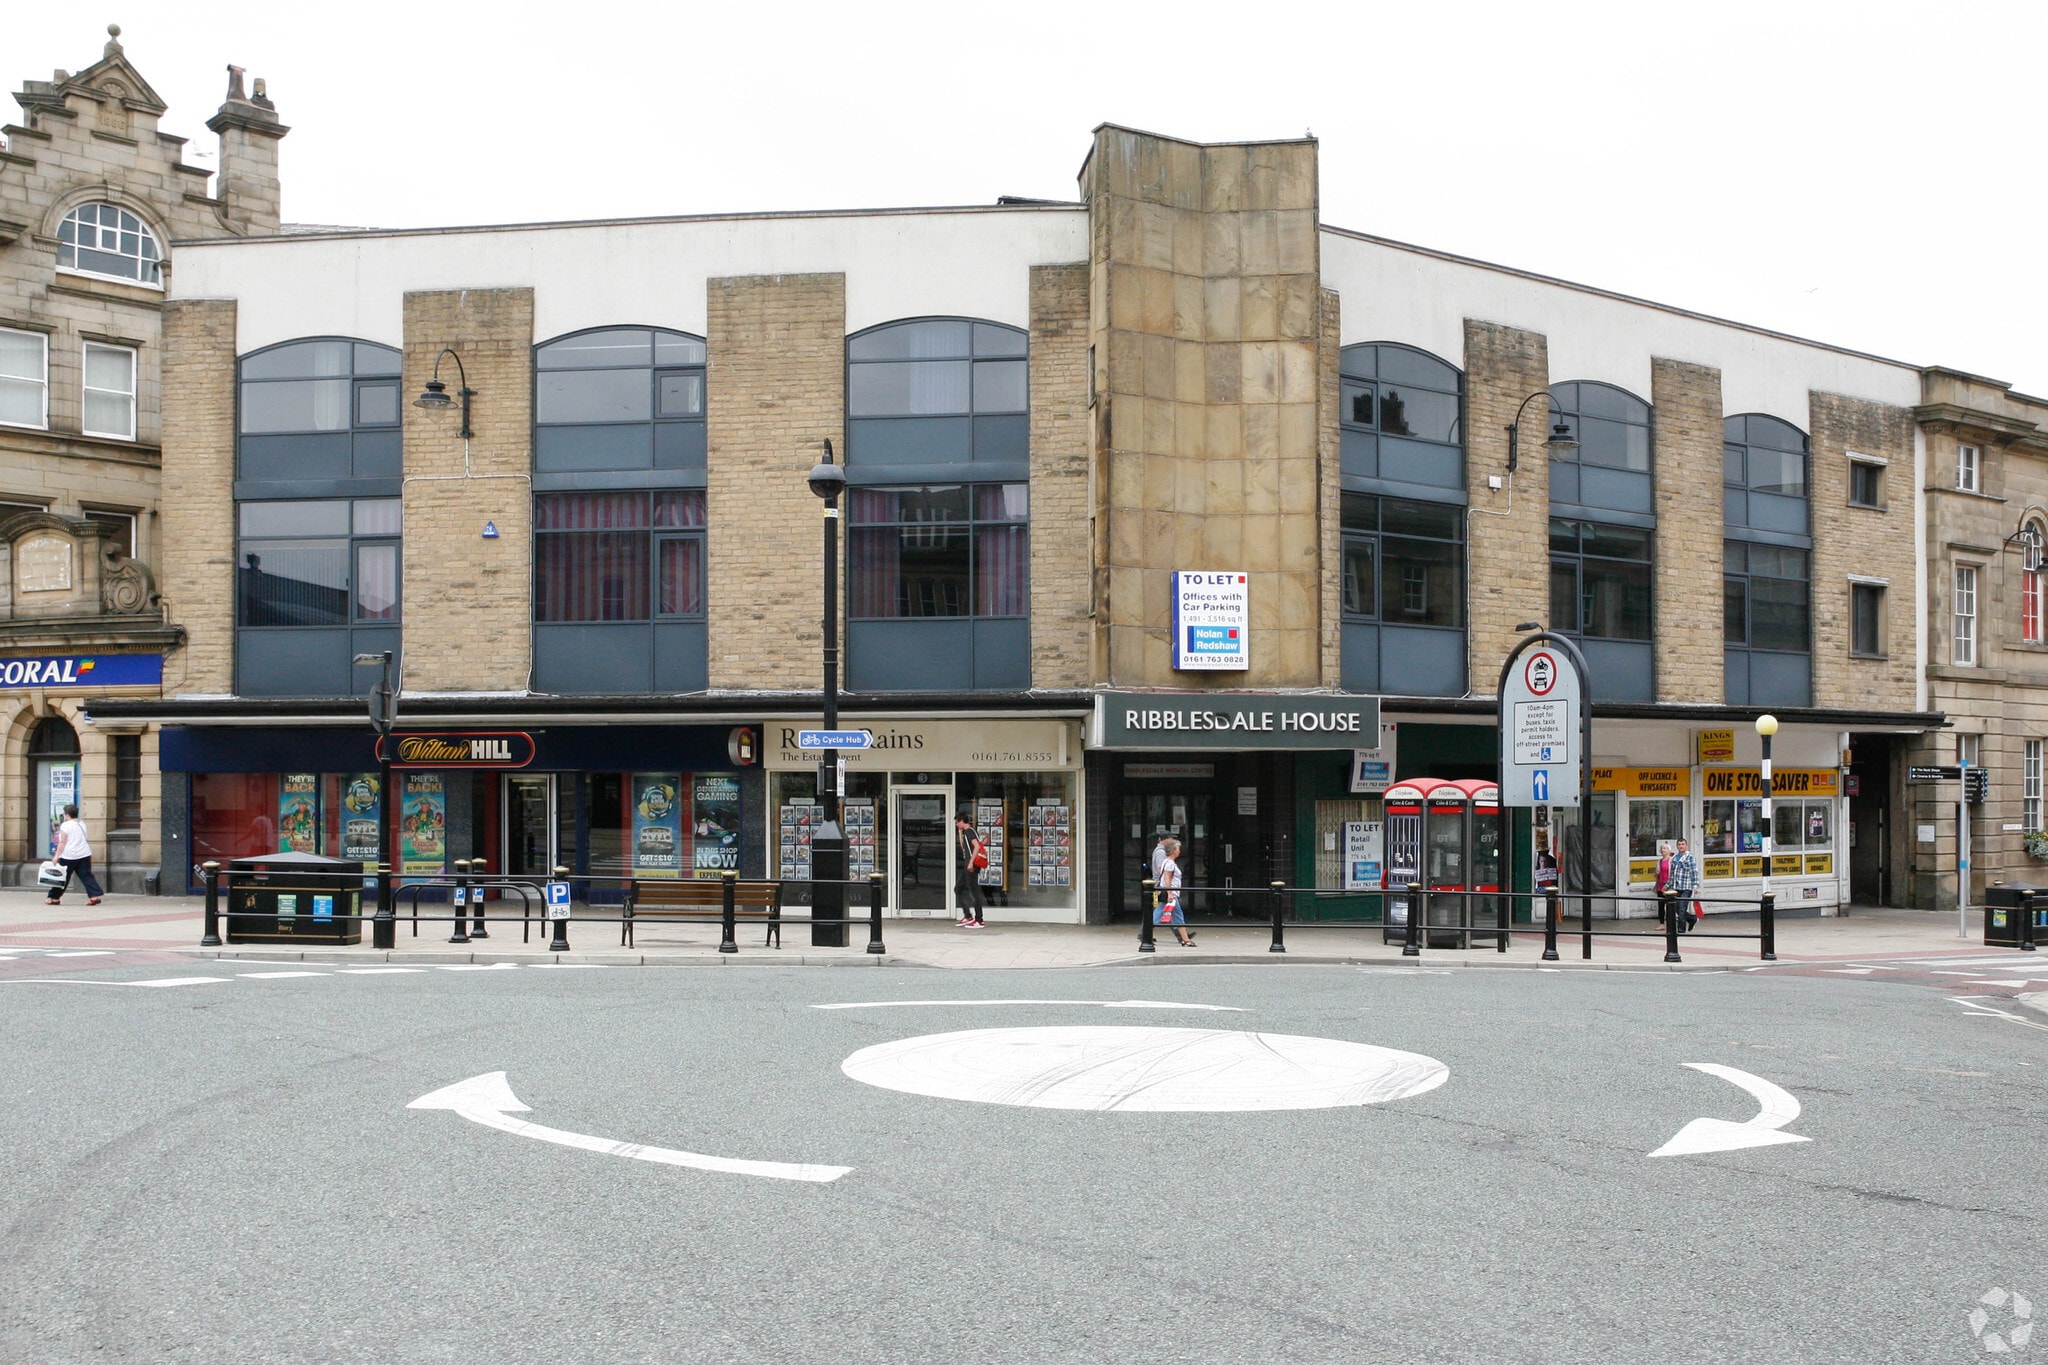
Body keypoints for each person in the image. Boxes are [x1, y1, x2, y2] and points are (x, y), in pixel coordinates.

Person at [47, 803, 104, 906]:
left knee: (62, 877)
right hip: (84, 854)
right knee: (86, 876)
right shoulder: (82, 823)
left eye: (64, 813)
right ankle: (94, 896)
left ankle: (54, 898)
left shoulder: (66, 825)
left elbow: (62, 842)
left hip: (69, 855)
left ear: (67, 814)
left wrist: (56, 856)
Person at [1157, 836, 1194, 947]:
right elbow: (1167, 878)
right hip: (1171, 894)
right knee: (1178, 916)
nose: (1179, 851)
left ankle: (1185, 939)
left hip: (1168, 894)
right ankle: (1186, 940)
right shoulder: (1170, 863)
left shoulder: (1166, 862)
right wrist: (1170, 893)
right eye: (1178, 849)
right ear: (1173, 850)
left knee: (1158, 916)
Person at [953, 812, 987, 928]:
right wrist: (959, 832)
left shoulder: (970, 832)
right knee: (958, 888)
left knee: (973, 891)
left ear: (962, 821)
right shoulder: (967, 832)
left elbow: (976, 846)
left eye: (957, 822)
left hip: (971, 865)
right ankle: (967, 916)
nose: (956, 824)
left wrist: (971, 862)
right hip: (968, 865)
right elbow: (964, 847)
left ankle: (979, 919)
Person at [1667, 837, 1701, 933]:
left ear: (1686, 845)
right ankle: (1692, 919)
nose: (1681, 846)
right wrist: (1668, 884)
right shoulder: (1675, 857)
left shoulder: (1690, 856)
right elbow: (1672, 873)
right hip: (1676, 887)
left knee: (1682, 908)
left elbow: (1694, 871)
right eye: (1679, 844)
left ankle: (1681, 930)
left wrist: (1695, 885)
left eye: (1683, 844)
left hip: (1686, 887)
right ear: (1677, 846)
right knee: (1677, 909)